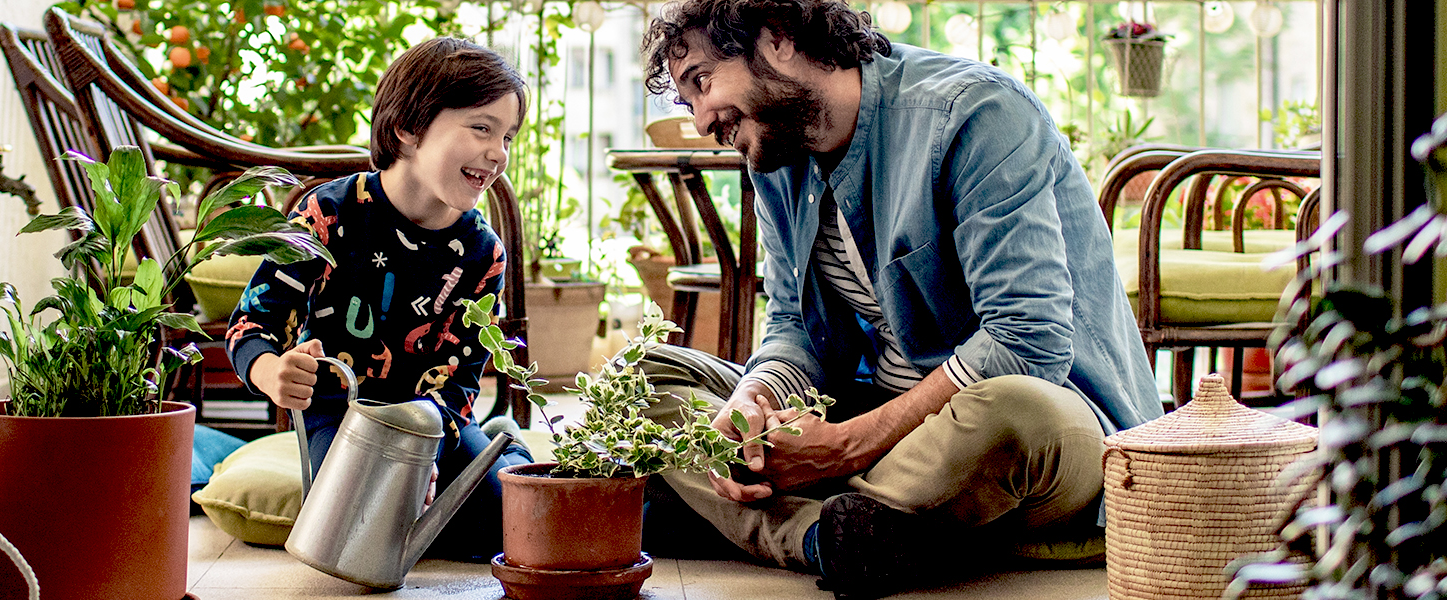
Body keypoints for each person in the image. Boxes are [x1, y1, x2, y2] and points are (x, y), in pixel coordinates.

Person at [637, 0, 1165, 596]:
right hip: (888, 429)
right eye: (687, 101)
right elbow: (793, 327)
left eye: (702, 82)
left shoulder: (974, 113)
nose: (703, 120)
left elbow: (1027, 342)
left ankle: (745, 514)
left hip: (1040, 429)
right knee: (646, 380)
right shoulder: (774, 154)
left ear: (778, 37)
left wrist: (843, 448)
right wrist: (753, 408)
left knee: (1017, 411)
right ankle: (834, 536)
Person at [225, 37, 532, 561]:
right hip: (343, 419)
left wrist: (426, 451)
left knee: (512, 530)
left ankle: (506, 448)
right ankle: (496, 453)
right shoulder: (328, 214)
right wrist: (271, 372)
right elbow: (251, 322)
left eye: (507, 136)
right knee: (358, 528)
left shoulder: (484, 254)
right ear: (407, 129)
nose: (498, 152)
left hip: (437, 423)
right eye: (482, 127)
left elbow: (459, 378)